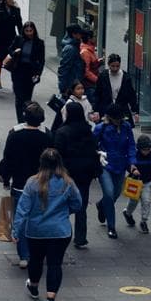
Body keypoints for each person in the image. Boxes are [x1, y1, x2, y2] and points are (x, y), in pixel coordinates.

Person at [11, 148, 82, 301]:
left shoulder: (32, 183)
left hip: (36, 230)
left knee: (36, 260)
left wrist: (16, 231)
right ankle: (51, 300)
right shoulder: (67, 182)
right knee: (55, 264)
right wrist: (65, 213)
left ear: (41, 163)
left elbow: (23, 209)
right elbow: (77, 203)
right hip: (60, 231)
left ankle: (34, 286)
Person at [0, 104, 52, 266]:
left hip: (20, 183)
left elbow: (8, 158)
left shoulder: (15, 134)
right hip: (42, 183)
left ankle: (24, 255)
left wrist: (5, 177)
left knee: (21, 218)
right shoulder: (47, 135)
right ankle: (40, 251)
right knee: (40, 217)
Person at [52, 101, 101, 248]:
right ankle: (80, 237)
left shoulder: (62, 132)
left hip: (67, 174)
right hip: (85, 174)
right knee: (81, 205)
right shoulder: (87, 130)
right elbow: (94, 151)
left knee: (62, 205)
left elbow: (57, 153)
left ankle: (63, 233)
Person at [93, 104, 136, 239]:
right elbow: (91, 145)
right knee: (109, 193)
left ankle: (101, 205)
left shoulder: (126, 127)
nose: (119, 121)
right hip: (105, 165)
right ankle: (111, 226)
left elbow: (131, 145)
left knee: (116, 193)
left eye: (120, 118)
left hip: (120, 166)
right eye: (116, 118)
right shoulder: (101, 128)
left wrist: (132, 163)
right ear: (110, 117)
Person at [5, 21, 46, 124]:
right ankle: (20, 120)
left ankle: (27, 117)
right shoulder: (19, 39)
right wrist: (15, 52)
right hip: (18, 70)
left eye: (30, 31)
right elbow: (10, 49)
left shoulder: (39, 43)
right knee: (19, 97)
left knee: (27, 97)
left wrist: (38, 73)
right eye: (27, 31)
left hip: (30, 72)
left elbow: (41, 60)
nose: (29, 33)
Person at [122, 135, 151, 233]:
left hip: (146, 183)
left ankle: (144, 221)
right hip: (134, 182)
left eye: (148, 149)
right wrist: (133, 170)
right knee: (133, 202)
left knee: (146, 201)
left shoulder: (150, 155)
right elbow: (128, 165)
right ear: (139, 148)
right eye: (144, 150)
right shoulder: (134, 155)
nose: (147, 151)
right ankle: (127, 213)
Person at [93, 54, 139, 124]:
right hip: (106, 108)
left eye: (117, 66)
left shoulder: (126, 77)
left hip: (121, 109)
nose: (115, 69)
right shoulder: (103, 76)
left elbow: (131, 95)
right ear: (108, 65)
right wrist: (96, 110)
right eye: (113, 66)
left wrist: (135, 111)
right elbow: (97, 94)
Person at [56, 24, 85, 101]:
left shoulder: (74, 45)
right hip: (70, 86)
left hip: (73, 84)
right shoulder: (71, 48)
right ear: (74, 34)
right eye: (79, 33)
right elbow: (63, 69)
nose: (81, 35)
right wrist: (63, 88)